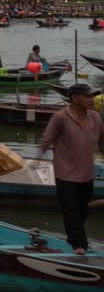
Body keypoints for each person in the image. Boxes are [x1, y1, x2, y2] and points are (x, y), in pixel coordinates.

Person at [38, 83, 104, 254]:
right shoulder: (60, 117)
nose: (92, 99)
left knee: (82, 210)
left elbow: (103, 141)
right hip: (65, 173)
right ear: (75, 98)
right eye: (88, 96)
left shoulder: (95, 117)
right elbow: (47, 138)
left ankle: (74, 238)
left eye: (92, 96)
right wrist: (37, 160)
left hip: (86, 173)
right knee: (71, 210)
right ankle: (79, 245)